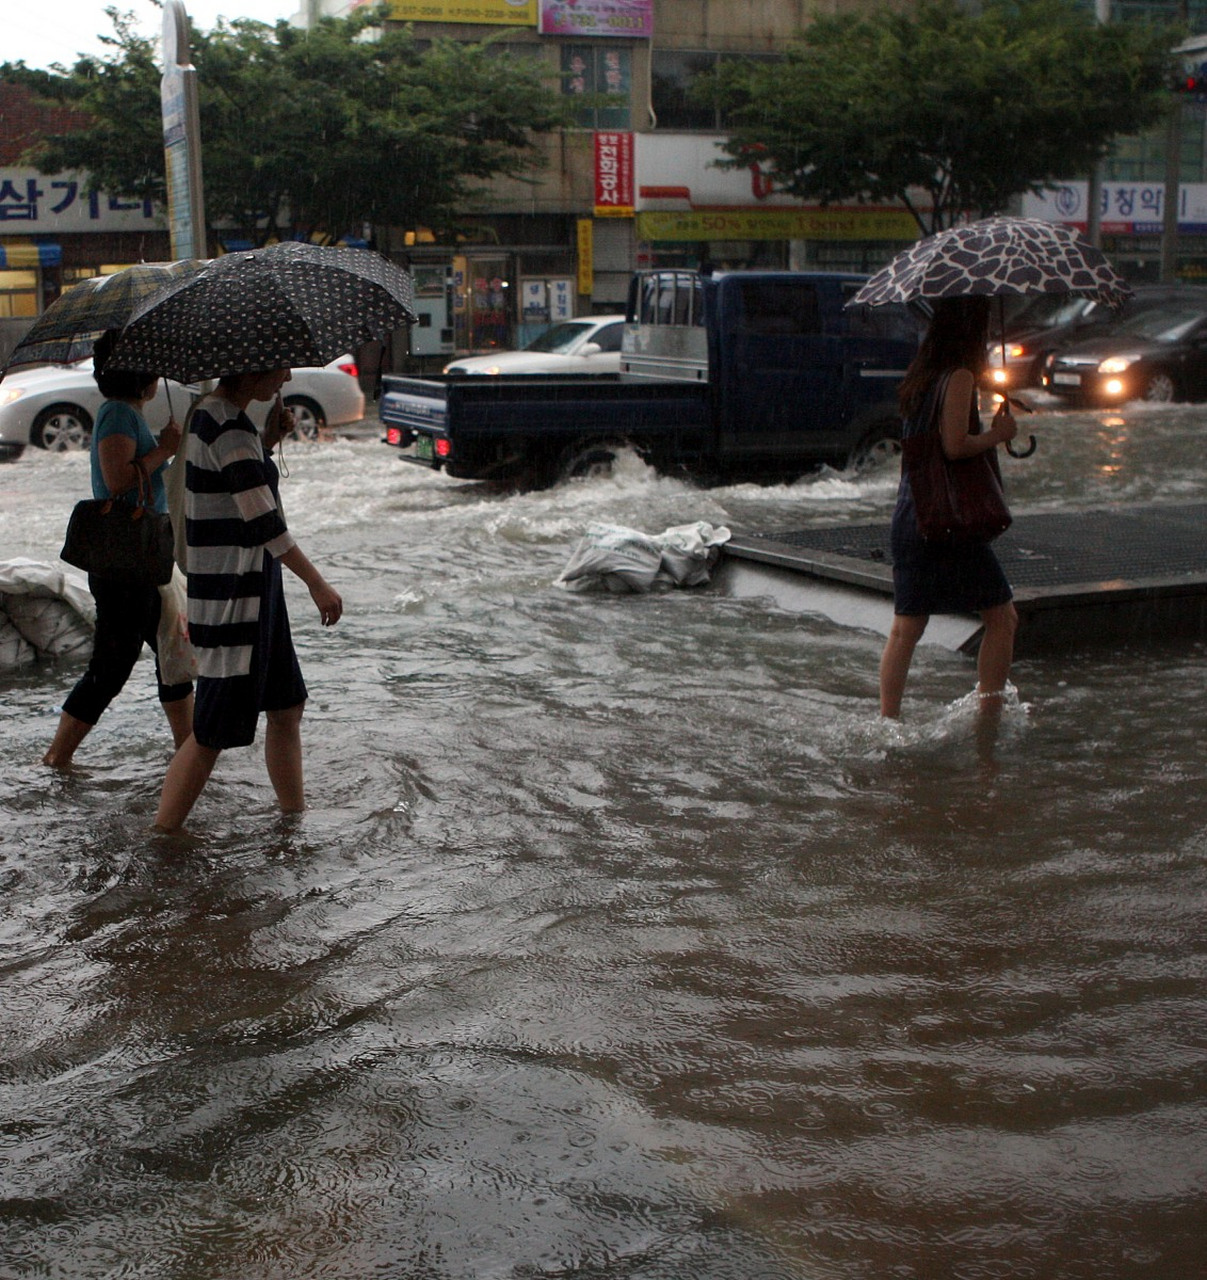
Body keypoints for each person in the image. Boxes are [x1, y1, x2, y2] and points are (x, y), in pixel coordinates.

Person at [154, 368, 342, 832]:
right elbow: (262, 521)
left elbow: (236, 488)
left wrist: (265, 438)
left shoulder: (215, 419)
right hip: (235, 596)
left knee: (285, 706)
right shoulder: (227, 426)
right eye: (279, 364)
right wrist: (317, 582)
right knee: (211, 729)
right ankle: (162, 836)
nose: (288, 374)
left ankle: (292, 820)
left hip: (253, 589)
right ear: (251, 365)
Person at [42, 333, 192, 767]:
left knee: (172, 654)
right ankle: (57, 756)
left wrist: (163, 447)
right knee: (112, 666)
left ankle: (191, 750)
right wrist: (164, 449)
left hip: (146, 559)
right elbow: (116, 481)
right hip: (124, 563)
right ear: (142, 375)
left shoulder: (127, 414)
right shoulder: (116, 416)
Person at [879, 296, 1019, 719]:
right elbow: (955, 447)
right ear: (973, 332)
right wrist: (1000, 434)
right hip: (948, 522)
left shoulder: (923, 376)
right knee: (1002, 617)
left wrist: (984, 387)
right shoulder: (958, 378)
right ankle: (989, 715)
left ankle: (888, 720)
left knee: (907, 628)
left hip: (913, 514)